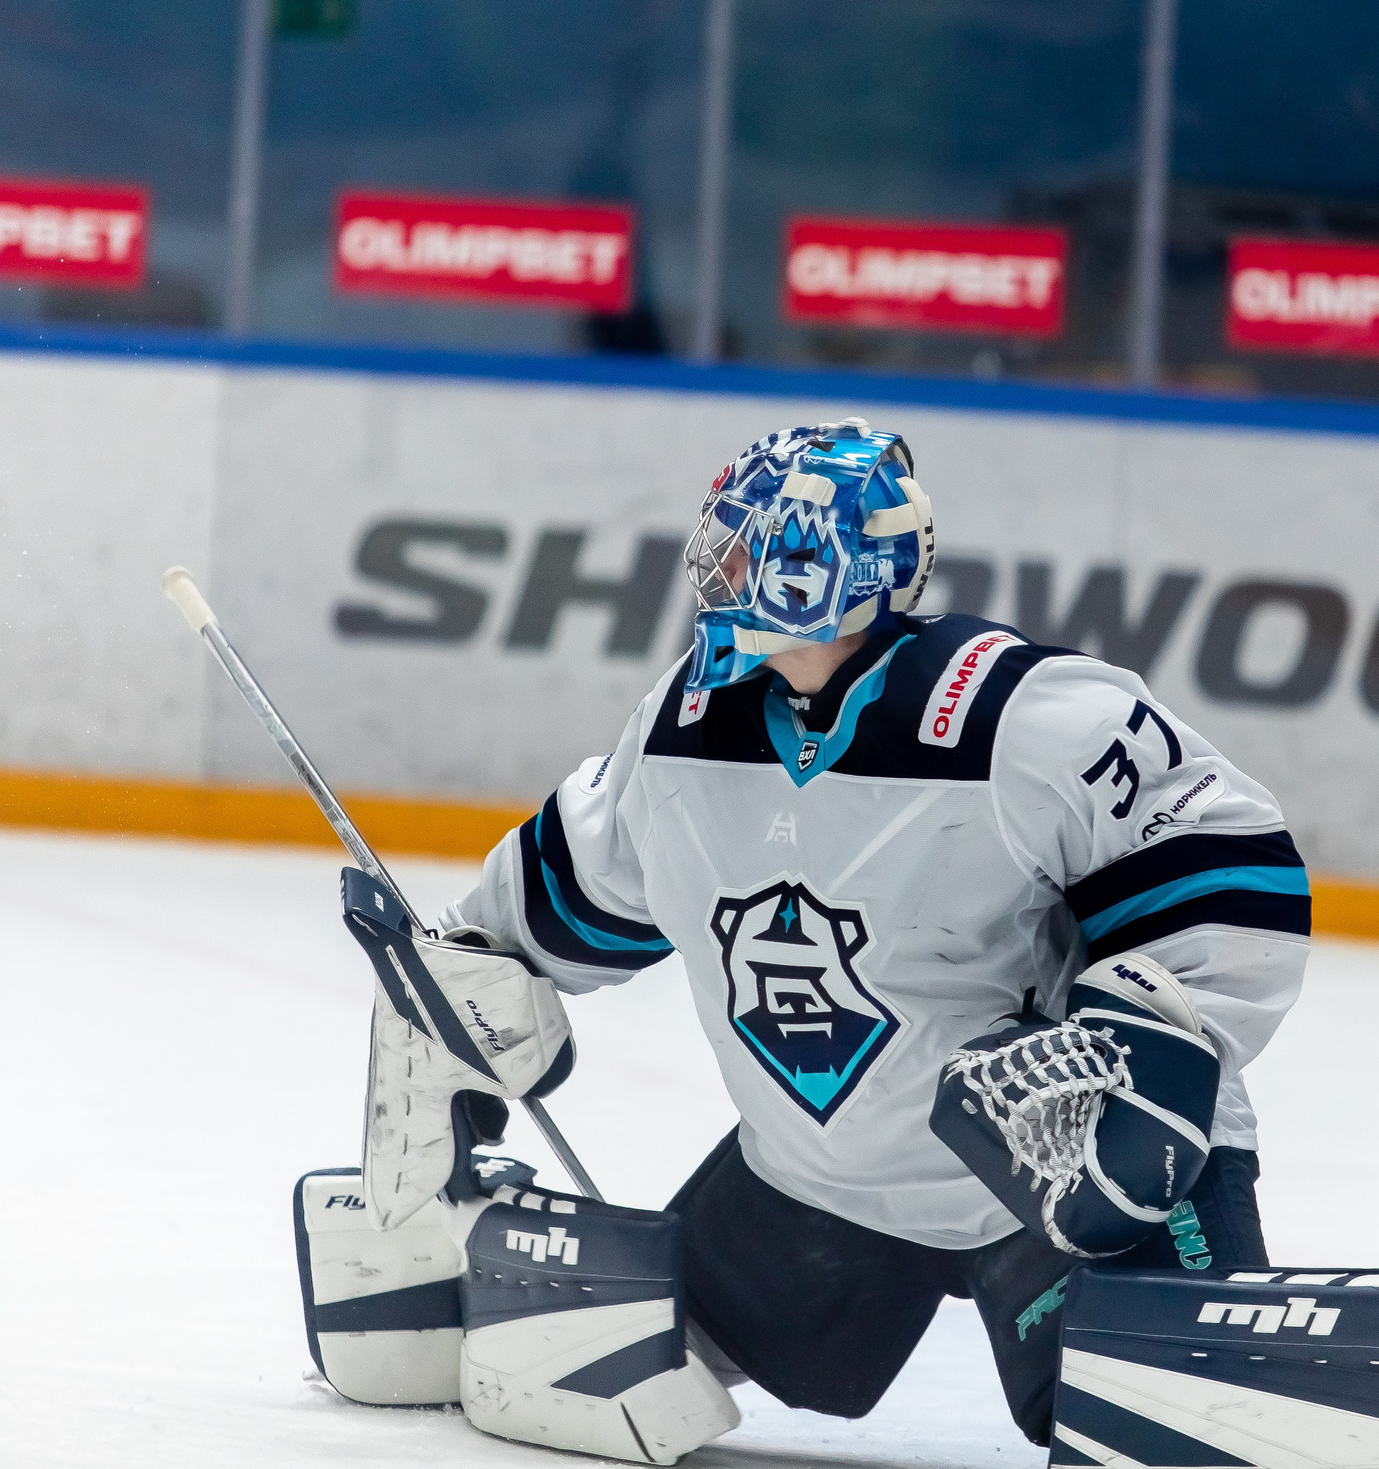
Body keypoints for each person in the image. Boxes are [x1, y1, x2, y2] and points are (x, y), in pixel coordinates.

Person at [423, 418, 1310, 1446]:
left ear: (822, 568)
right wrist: (461, 970)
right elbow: (577, 887)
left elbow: (1227, 864)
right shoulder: (684, 721)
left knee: (1187, 1431)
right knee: (581, 1377)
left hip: (1058, 1184)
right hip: (817, 1187)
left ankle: (1209, 1352)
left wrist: (1144, 1053)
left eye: (749, 542)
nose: (719, 563)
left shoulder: (1020, 714)